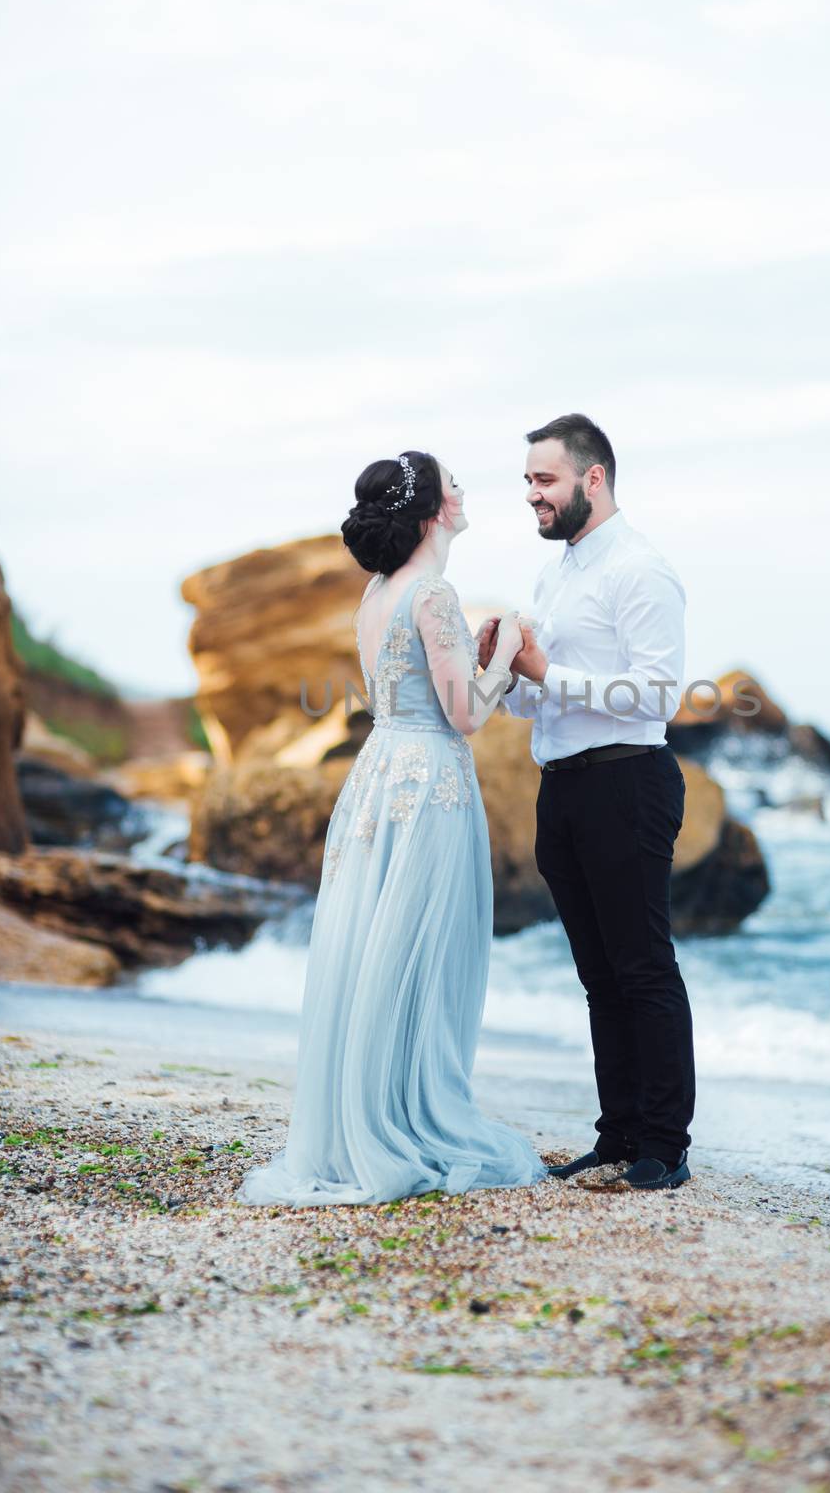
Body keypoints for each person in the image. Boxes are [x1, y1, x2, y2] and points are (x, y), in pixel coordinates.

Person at [236, 450, 546, 1207]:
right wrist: (504, 654)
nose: (464, 492)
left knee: (376, 945)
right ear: (433, 510)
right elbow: (466, 716)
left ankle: (364, 1118)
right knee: (419, 952)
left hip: (380, 773)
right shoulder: (433, 594)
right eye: (453, 484)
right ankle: (407, 1120)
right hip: (430, 781)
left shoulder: (377, 595)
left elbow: (412, 695)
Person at [477, 415, 695, 1190]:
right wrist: (506, 673)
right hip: (563, 786)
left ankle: (665, 1144)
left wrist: (547, 673)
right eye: (528, 482)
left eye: (545, 480)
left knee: (642, 968)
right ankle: (617, 1132)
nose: (532, 495)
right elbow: (542, 705)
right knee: (598, 974)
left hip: (628, 782)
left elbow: (660, 691)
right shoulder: (557, 575)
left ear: (592, 478)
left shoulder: (640, 569)